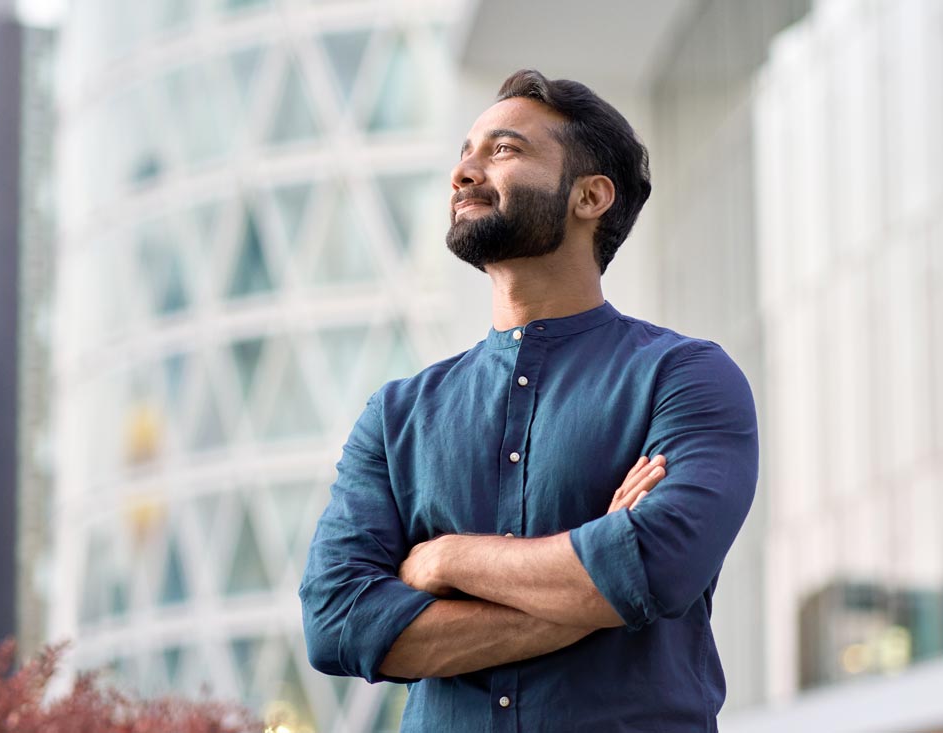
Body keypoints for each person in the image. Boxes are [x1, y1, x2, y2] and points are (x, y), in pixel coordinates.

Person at [299, 68, 758, 732]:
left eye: (504, 150)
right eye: (465, 152)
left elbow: (657, 562)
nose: (464, 172)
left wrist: (445, 558)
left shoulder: (686, 377)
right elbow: (338, 622)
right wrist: (592, 580)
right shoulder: (397, 416)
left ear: (591, 196)